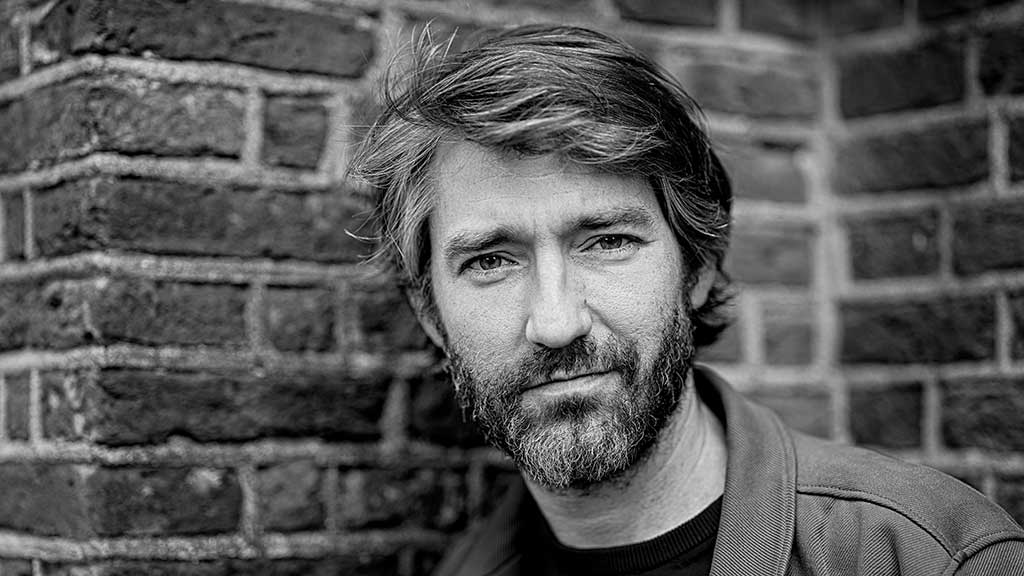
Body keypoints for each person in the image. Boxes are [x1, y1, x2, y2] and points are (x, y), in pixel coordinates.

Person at [349, 24, 1024, 576]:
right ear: (431, 316)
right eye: (491, 261)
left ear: (696, 267)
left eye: (606, 242)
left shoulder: (924, 556)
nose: (555, 323)